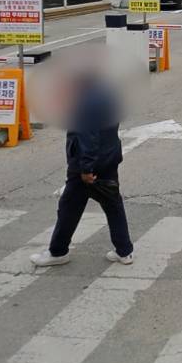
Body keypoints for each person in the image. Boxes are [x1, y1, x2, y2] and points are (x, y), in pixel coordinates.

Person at [31, 59, 134, 268]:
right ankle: (124, 251)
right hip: (109, 158)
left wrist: (86, 168)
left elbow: (88, 137)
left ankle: (57, 252)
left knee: (69, 207)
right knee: (112, 205)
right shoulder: (108, 93)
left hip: (87, 166)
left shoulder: (84, 102)